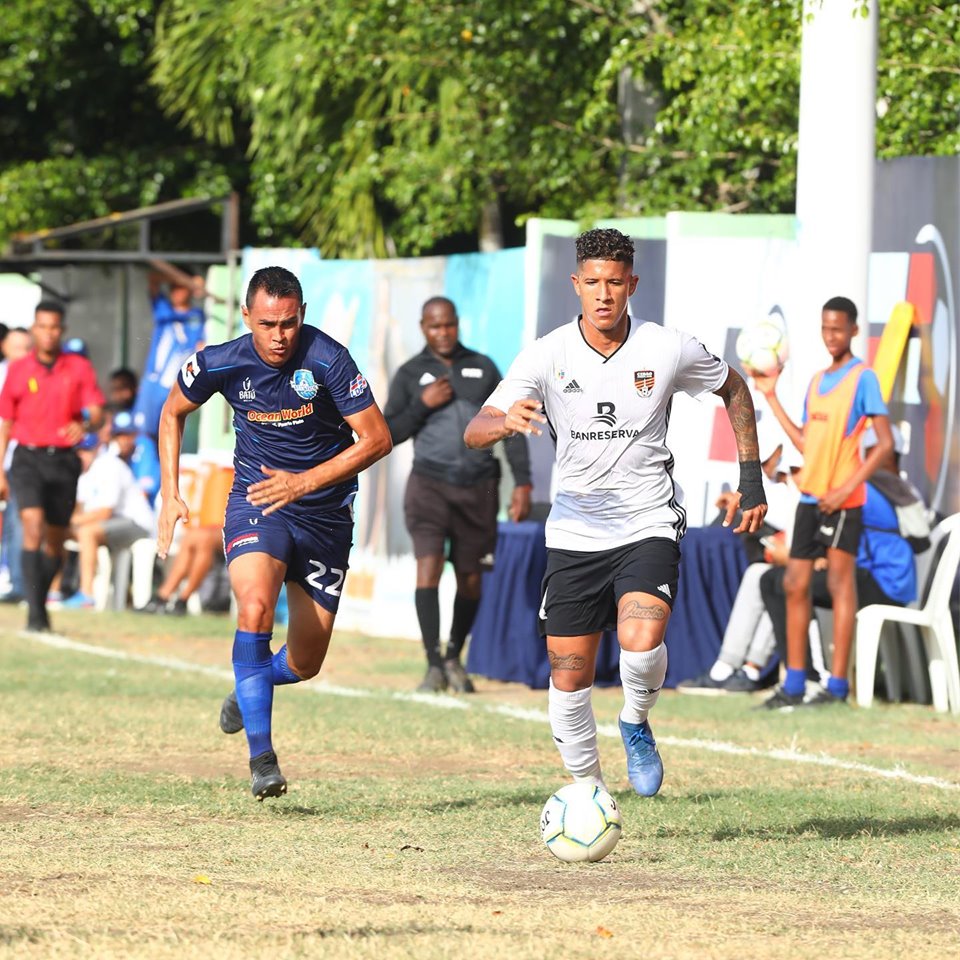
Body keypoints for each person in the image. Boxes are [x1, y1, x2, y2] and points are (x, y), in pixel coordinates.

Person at [463, 228, 767, 797]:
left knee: (641, 637)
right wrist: (505, 420)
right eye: (594, 283)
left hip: (646, 520)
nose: (604, 294)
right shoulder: (547, 353)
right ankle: (589, 793)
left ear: (633, 284)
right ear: (576, 284)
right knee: (568, 677)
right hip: (575, 529)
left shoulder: (667, 346)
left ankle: (634, 719)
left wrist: (750, 479)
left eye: (616, 283)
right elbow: (475, 429)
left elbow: (736, 390)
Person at [156, 265, 392, 801]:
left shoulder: (329, 359)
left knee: (305, 662)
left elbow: (378, 439)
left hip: (325, 513)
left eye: (288, 323)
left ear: (302, 315)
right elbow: (172, 413)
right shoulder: (220, 361)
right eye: (267, 324)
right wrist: (170, 491)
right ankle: (262, 759)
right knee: (256, 609)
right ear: (247, 317)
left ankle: (250, 684)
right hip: (257, 503)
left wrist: (304, 482)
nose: (279, 336)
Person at [383, 296, 532, 694]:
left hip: (478, 489)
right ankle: (433, 665)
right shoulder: (411, 373)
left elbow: (509, 425)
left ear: (457, 324)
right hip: (428, 487)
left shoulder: (483, 367)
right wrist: (421, 404)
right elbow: (388, 433)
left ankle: (453, 656)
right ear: (422, 328)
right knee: (428, 569)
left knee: (470, 580)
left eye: (448, 325)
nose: (443, 332)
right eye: (434, 326)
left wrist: (522, 481)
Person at [753, 295, 893, 708]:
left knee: (838, 583)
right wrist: (770, 395)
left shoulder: (862, 378)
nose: (830, 336)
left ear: (853, 330)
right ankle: (794, 684)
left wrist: (846, 488)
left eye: (838, 328)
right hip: (812, 498)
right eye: (825, 328)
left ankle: (836, 688)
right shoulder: (816, 381)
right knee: (795, 583)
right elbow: (805, 443)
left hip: (844, 501)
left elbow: (883, 445)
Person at [758, 424, 922, 698]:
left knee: (787, 580)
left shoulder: (862, 489)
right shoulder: (870, 485)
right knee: (779, 580)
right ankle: (803, 676)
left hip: (884, 583)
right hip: (879, 576)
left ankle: (813, 678)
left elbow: (823, 529)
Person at [0, 302, 105, 631]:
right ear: (34, 329)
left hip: (62, 461)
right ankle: (35, 612)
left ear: (62, 330)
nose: (49, 333)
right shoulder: (19, 369)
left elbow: (97, 410)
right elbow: (5, 420)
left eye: (55, 327)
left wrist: (85, 423)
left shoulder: (78, 367)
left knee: (56, 540)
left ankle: (39, 600)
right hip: (27, 457)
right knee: (32, 526)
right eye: (43, 326)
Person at [677, 433, 801, 695]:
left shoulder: (819, 494)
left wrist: (791, 557)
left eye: (796, 469)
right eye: (791, 468)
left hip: (812, 572)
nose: (791, 473)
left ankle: (752, 669)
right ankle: (725, 666)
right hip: (792, 564)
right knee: (762, 574)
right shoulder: (792, 492)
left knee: (782, 580)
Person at [61, 411, 155, 610]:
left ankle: (86, 594)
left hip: (137, 522)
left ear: (96, 448)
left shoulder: (109, 465)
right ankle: (53, 592)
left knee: (87, 532)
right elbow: (80, 508)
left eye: (86, 450)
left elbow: (104, 512)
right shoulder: (85, 473)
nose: (82, 454)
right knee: (58, 530)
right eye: (79, 450)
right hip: (115, 523)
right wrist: (69, 523)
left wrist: (75, 522)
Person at [132, 261, 208, 506]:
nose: (177, 291)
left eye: (182, 287)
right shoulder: (163, 307)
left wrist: (199, 287)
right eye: (174, 286)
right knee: (145, 436)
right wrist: (183, 279)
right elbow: (153, 278)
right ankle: (147, 488)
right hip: (153, 385)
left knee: (172, 436)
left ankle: (168, 493)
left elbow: (204, 347)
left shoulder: (198, 316)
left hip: (177, 387)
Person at [0, 327, 34, 603]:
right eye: (16, 347)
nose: (21, 353)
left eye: (26, 347)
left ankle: (20, 585)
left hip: (16, 460)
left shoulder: (31, 376)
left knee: (15, 523)